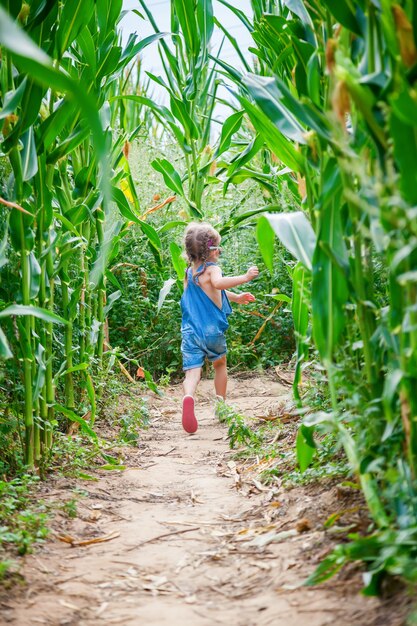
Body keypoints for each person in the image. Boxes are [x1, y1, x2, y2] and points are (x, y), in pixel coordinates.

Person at [180, 222, 259, 434]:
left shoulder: (190, 272)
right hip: (211, 331)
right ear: (210, 252)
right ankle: (221, 405)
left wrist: (236, 298)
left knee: (192, 372)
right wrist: (245, 278)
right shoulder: (212, 269)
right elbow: (217, 284)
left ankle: (189, 397)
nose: (220, 252)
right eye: (218, 248)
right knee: (220, 364)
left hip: (190, 331)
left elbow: (210, 293)